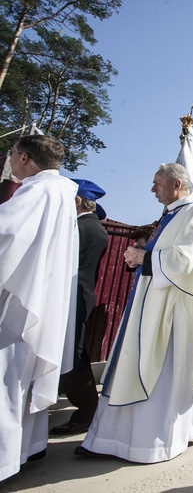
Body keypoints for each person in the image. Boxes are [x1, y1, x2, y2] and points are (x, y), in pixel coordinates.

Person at [77, 163, 193, 463]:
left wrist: (145, 257)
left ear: (177, 183)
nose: (152, 190)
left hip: (171, 313)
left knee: (157, 373)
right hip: (150, 304)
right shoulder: (173, 214)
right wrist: (137, 258)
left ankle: (146, 443)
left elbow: (184, 261)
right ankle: (114, 438)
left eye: (157, 183)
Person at [0, 135, 79, 481]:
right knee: (20, 381)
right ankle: (22, 449)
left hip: (19, 301)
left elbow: (7, 234)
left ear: (25, 158)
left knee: (7, 381)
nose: (10, 159)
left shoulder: (37, 191)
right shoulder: (62, 193)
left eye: (12, 153)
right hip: (41, 300)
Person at [51, 179, 109, 435]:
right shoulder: (94, 226)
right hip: (79, 296)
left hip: (71, 297)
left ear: (76, 201)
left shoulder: (79, 227)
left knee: (72, 355)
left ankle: (87, 411)